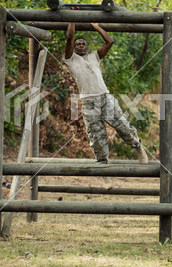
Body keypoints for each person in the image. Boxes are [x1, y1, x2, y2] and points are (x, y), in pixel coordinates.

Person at [62, 21, 148, 165]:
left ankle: (138, 147)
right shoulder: (70, 59)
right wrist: (72, 18)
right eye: (78, 44)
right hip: (89, 103)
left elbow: (110, 41)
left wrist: (96, 26)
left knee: (122, 126)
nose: (81, 45)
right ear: (74, 48)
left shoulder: (94, 56)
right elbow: (70, 37)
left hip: (104, 98)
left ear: (86, 47)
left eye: (83, 44)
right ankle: (102, 167)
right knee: (96, 138)